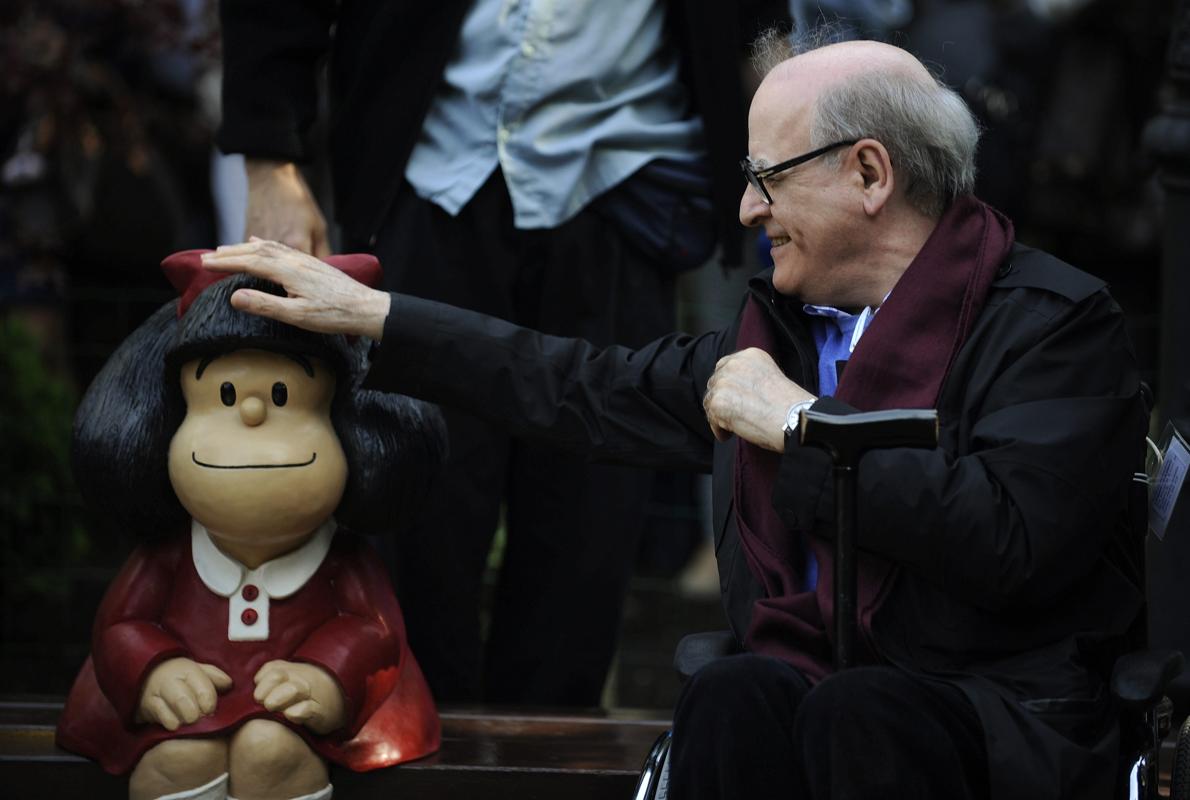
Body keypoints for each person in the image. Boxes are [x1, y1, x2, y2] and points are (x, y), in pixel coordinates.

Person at [202, 36, 1146, 799]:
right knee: (735, 693)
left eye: (766, 177)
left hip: (991, 716)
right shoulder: (775, 332)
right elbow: (572, 382)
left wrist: (807, 428)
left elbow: (1016, 543)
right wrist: (378, 316)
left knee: (856, 712)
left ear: (869, 174)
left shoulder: (1056, 323)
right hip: (819, 701)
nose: (743, 209)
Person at [215, 0, 790, 707]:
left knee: (588, 529)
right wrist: (270, 160)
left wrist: (789, 166)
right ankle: (410, 753)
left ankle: (552, 766)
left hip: (624, 188)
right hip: (426, 176)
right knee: (411, 505)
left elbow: (762, 26)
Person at [57, 253, 444, 800]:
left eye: (283, 396)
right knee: (174, 760)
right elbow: (122, 624)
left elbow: (373, 630)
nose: (253, 418)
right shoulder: (172, 555)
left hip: (302, 719)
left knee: (272, 751)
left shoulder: (340, 559)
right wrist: (151, 672)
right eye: (224, 396)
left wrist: (328, 676)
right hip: (191, 714)